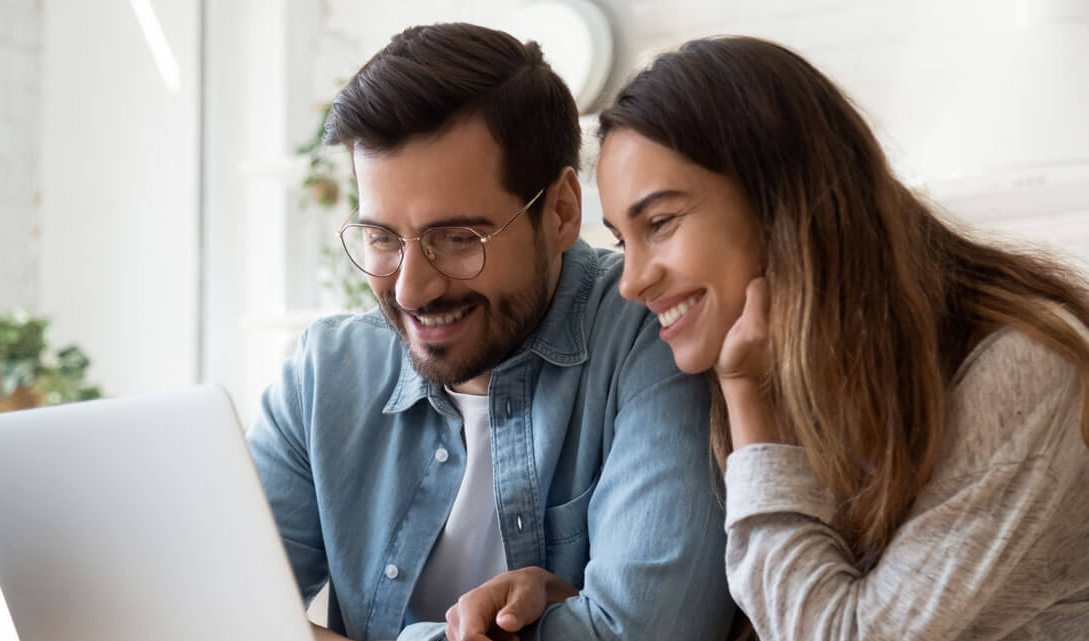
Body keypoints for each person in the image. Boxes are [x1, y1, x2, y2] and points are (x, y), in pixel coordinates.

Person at [447, 35, 1089, 640]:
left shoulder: (1021, 369)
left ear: (779, 201)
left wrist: (747, 404)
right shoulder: (780, 371)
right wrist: (565, 605)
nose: (632, 280)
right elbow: (778, 600)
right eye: (622, 240)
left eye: (662, 222)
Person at [245, 23, 736, 641]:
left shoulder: (654, 330)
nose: (409, 290)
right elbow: (207, 608)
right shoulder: (327, 372)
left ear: (560, 211)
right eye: (382, 237)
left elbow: (646, 632)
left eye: (457, 239)